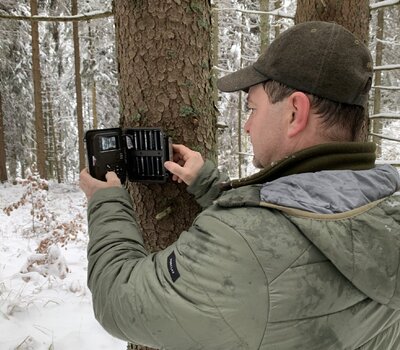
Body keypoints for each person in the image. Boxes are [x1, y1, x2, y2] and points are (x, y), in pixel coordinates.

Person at [80, 21, 400, 349]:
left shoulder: (245, 245)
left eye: (253, 109)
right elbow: (308, 219)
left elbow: (119, 299)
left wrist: (106, 203)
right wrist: (210, 187)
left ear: (295, 113)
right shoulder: (388, 205)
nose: (246, 126)